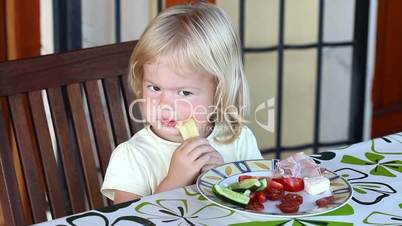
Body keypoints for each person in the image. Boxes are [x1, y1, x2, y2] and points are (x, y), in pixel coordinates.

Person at [101, 2, 263, 204]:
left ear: (219, 92)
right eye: (155, 88)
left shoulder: (238, 140)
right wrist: (174, 182)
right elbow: (127, 221)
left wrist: (226, 178)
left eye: (184, 92)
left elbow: (260, 204)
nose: (165, 104)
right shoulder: (133, 157)